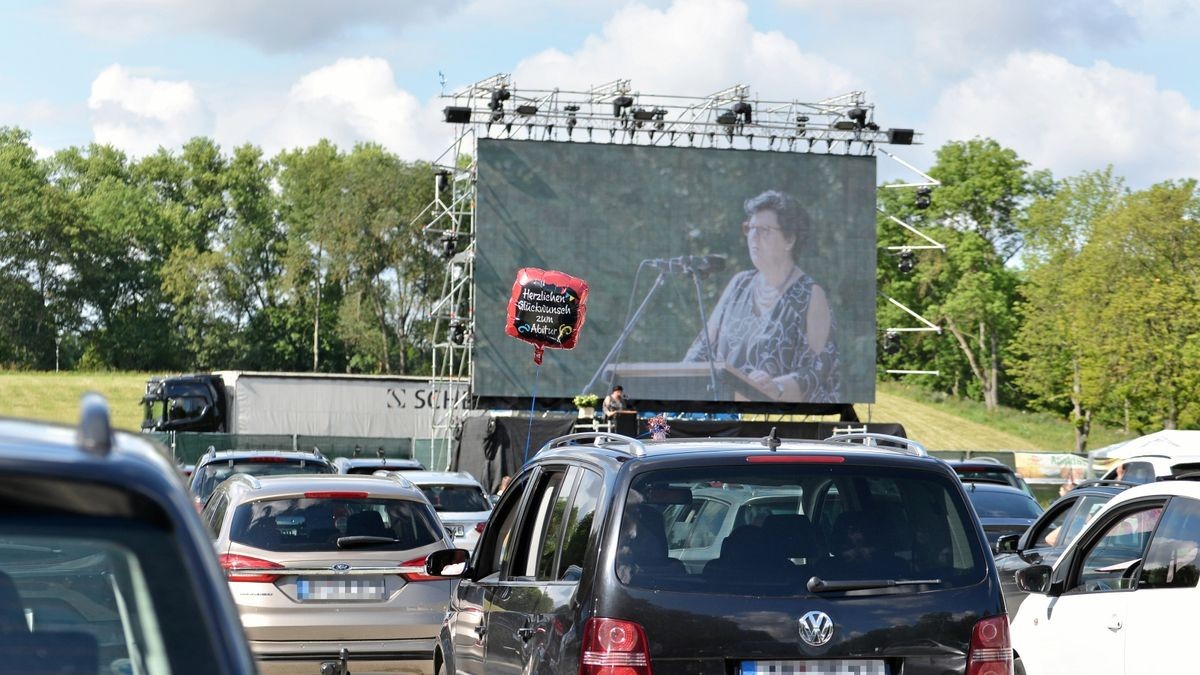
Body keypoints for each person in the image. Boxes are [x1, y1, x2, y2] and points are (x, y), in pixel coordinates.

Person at [684, 190, 840, 402]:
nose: (753, 237)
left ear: (789, 239)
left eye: (764, 230)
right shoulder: (740, 284)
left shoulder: (811, 295)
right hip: (725, 414)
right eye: (750, 228)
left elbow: (817, 370)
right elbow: (701, 351)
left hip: (785, 421)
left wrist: (777, 387)